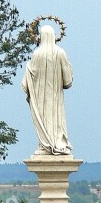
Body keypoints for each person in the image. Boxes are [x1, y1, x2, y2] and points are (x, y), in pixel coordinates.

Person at [22, 25, 73, 156]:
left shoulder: (36, 54)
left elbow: (27, 82)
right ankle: (57, 143)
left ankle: (45, 145)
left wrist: (28, 69)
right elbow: (68, 82)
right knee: (56, 119)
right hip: (56, 99)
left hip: (41, 101)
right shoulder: (60, 53)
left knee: (43, 119)